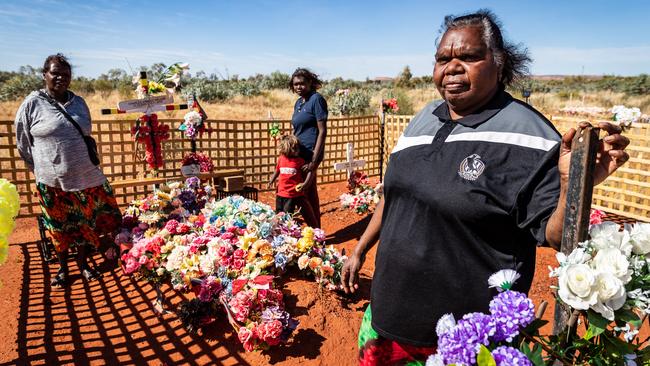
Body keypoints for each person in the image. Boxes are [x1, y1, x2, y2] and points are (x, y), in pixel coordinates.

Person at [340, 10, 630, 365]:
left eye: (469, 56)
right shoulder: (421, 120)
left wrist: (572, 185)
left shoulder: (529, 135)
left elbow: (556, 236)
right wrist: (359, 250)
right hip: (384, 322)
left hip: (463, 345)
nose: (452, 68)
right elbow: (395, 196)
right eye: (443, 59)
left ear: (498, 61)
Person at [15, 54, 122, 289]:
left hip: (84, 176)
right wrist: (43, 168)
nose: (61, 78)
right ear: (45, 75)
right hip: (51, 181)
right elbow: (23, 144)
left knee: (84, 223)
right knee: (58, 227)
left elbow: (85, 133)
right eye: (55, 73)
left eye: (66, 74)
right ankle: (64, 269)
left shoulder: (79, 102)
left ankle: (83, 265)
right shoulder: (32, 103)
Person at [289, 68, 328, 228]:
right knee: (303, 193)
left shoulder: (316, 99)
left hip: (310, 154)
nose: (298, 87)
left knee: (306, 194)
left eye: (302, 83)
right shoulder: (299, 103)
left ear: (310, 83)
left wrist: (314, 160)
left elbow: (322, 131)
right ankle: (315, 231)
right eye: (295, 84)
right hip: (298, 154)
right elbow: (296, 129)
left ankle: (316, 232)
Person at [268, 134, 319, 228]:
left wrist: (305, 183)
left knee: (287, 216)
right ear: (287, 148)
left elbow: (309, 171)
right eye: (295, 148)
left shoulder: (300, 161)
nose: (298, 150)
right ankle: (279, 232)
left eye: (297, 148)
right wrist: (272, 179)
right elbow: (277, 170)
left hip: (292, 194)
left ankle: (288, 233)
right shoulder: (281, 159)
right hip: (280, 192)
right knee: (279, 213)